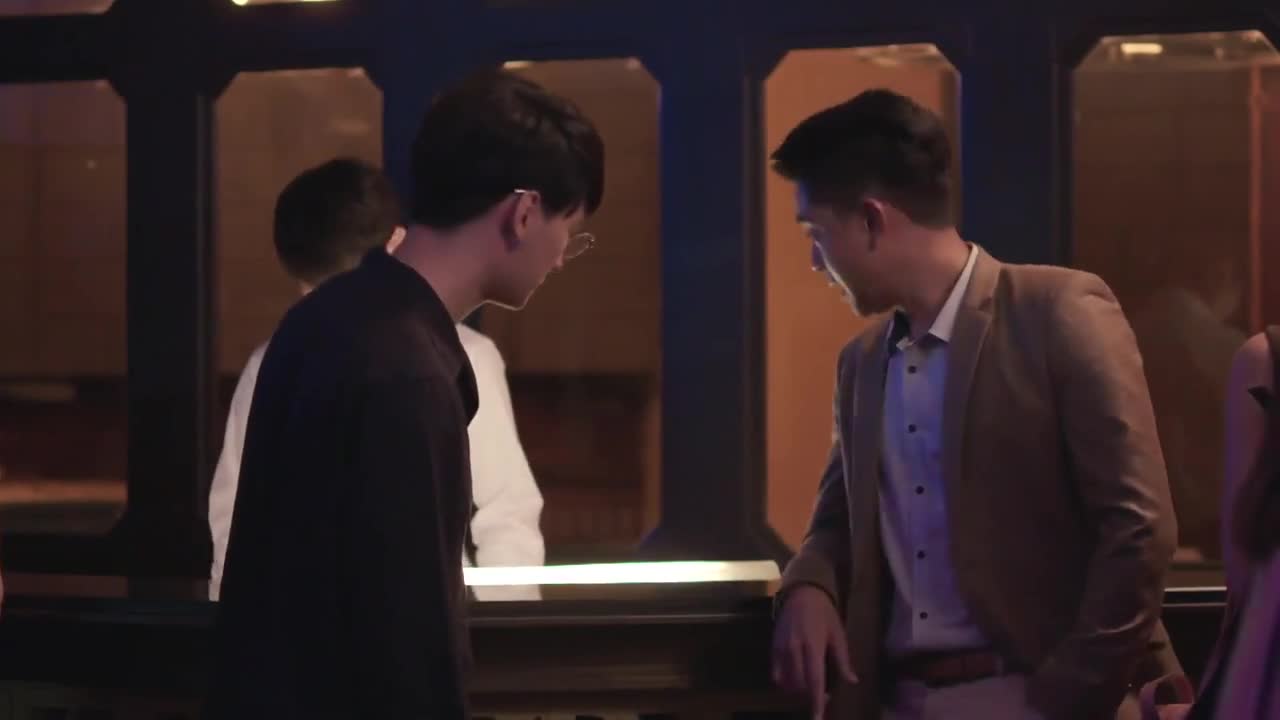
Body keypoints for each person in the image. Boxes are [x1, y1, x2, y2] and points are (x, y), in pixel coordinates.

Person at [767, 89, 1180, 720]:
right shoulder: (862, 363)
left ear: (873, 220)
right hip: (899, 700)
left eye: (817, 234)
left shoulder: (1055, 312)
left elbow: (1139, 526)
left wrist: (1067, 694)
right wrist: (807, 588)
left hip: (1033, 692)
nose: (815, 261)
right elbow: (837, 523)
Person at [205, 70, 603, 720]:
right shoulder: (408, 367)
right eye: (569, 230)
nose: (561, 257)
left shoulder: (321, 319)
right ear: (525, 213)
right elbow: (406, 642)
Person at [206, 157, 546, 605]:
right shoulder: (275, 360)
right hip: (340, 625)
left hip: (392, 622)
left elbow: (507, 519)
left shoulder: (462, 357)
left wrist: (504, 629)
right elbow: (235, 523)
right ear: (396, 243)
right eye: (314, 291)